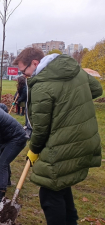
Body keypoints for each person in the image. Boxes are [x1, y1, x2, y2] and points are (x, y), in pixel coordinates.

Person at [13, 47, 103, 225]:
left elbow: (40, 129)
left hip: (62, 145)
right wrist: (70, 102)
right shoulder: (74, 70)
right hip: (84, 141)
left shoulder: (41, 85)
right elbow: (96, 89)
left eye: (24, 71)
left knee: (49, 194)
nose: (24, 75)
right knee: (61, 185)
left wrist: (34, 149)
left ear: (35, 63)